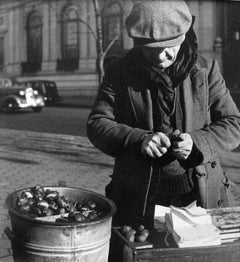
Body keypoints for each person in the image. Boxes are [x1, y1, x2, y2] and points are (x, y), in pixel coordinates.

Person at [87, 0, 240, 228]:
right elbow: (98, 124)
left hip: (200, 194)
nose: (160, 57)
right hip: (138, 198)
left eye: (169, 47)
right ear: (138, 43)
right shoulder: (120, 72)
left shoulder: (206, 70)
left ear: (183, 37)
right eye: (150, 50)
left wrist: (197, 142)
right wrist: (139, 139)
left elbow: (233, 123)